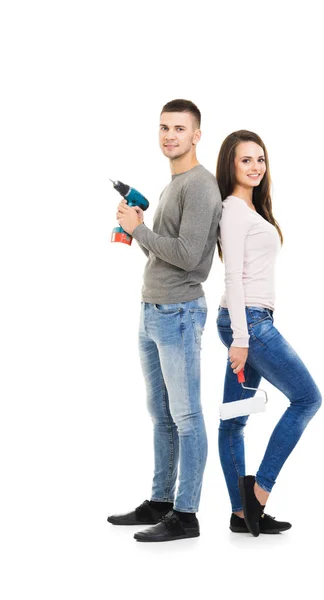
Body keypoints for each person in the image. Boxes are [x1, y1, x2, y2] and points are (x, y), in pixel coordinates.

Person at [107, 99, 222, 542]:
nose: (169, 135)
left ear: (196, 135)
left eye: (179, 128)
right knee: (161, 414)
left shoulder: (200, 186)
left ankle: (187, 514)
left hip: (178, 313)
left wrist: (138, 228)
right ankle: (161, 500)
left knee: (187, 415)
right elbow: (162, 253)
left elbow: (190, 256)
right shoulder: (172, 184)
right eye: (163, 128)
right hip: (152, 310)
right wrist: (138, 228)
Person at [216, 130, 322, 537]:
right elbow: (233, 276)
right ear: (231, 164)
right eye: (246, 160)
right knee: (307, 398)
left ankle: (241, 516)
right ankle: (257, 496)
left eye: (260, 158)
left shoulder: (250, 208)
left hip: (251, 321)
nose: (256, 166)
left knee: (234, 420)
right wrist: (242, 339)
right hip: (250, 323)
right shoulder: (234, 210)